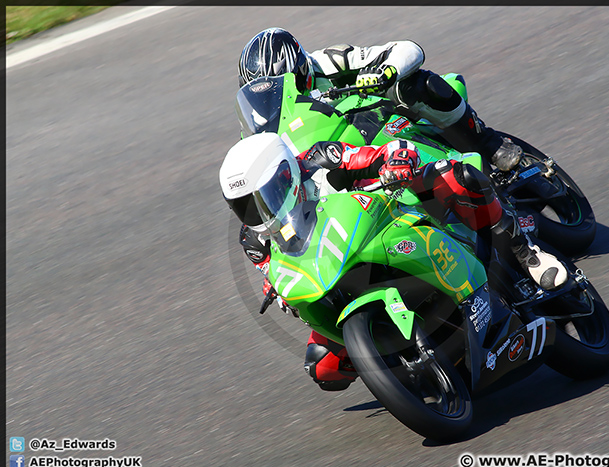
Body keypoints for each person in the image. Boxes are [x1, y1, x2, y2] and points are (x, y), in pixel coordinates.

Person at [220, 132, 568, 391]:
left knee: (460, 177)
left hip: (387, 221)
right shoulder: (254, 239)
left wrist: (396, 163)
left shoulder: (319, 160)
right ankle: (403, 370)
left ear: (285, 174)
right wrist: (279, 290)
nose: (258, 212)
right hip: (333, 275)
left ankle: (527, 253)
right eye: (246, 205)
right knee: (323, 369)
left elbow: (390, 149)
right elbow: (276, 274)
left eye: (262, 198)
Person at [236, 27, 524, 172]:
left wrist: (386, 72)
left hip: (376, 119)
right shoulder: (259, 120)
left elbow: (407, 49)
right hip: (331, 154)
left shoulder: (330, 60)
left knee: (416, 85)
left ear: (301, 66)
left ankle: (487, 142)